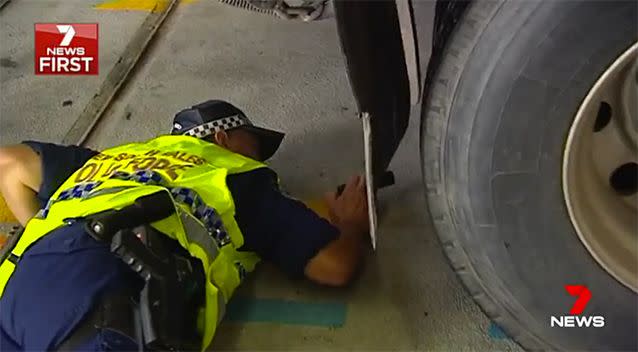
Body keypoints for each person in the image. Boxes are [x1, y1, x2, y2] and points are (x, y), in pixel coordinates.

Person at [0, 100, 369, 351]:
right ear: (221, 138)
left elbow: (9, 164)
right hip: (104, 300)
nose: (260, 161)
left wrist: (52, 235)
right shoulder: (234, 176)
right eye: (253, 146)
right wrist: (351, 224)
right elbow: (334, 267)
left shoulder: (115, 158)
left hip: (14, 288)